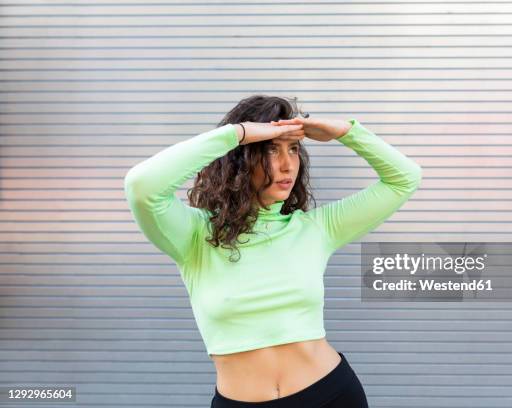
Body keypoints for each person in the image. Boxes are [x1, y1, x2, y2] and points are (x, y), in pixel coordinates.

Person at [123, 95, 423, 407]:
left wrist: (346, 132)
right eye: (270, 150)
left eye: (293, 149)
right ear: (241, 159)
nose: (287, 165)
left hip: (331, 395)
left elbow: (405, 178)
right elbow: (141, 186)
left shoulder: (316, 228)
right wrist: (236, 134)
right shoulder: (195, 235)